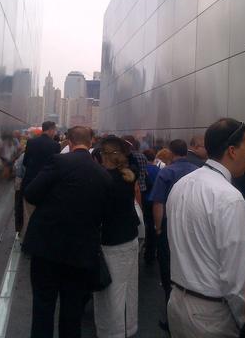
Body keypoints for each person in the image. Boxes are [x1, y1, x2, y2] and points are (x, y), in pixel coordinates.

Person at [166, 118, 245, 337]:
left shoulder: (181, 184)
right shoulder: (230, 197)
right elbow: (235, 275)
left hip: (176, 302)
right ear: (232, 151)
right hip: (212, 315)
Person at [22, 126, 111, 338]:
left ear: (69, 142)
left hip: (46, 247)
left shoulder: (58, 162)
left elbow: (31, 193)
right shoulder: (103, 175)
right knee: (72, 310)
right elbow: (103, 215)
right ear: (91, 142)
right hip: (80, 252)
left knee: (43, 304)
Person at [148, 139, 199, 330]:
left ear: (170, 152)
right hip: (193, 226)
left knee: (169, 270)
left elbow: (158, 203)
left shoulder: (167, 172)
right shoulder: (197, 170)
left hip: (170, 226)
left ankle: (172, 317)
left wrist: (158, 227)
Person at [93, 136, 140, 338]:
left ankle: (111, 333)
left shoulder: (102, 179)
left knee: (110, 294)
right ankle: (128, 328)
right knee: (129, 288)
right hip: (130, 238)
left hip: (110, 242)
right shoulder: (128, 176)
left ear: (105, 155)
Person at [21, 121, 60, 238]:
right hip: (47, 187)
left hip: (30, 184)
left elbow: (25, 162)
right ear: (51, 130)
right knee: (44, 216)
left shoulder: (31, 142)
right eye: (55, 130)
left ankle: (26, 241)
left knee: (28, 215)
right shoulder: (55, 145)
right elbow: (55, 167)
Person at [142, 149, 160, 264]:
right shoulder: (158, 170)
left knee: (145, 226)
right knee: (153, 228)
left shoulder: (143, 170)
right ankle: (152, 252)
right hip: (155, 202)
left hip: (144, 201)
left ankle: (145, 249)